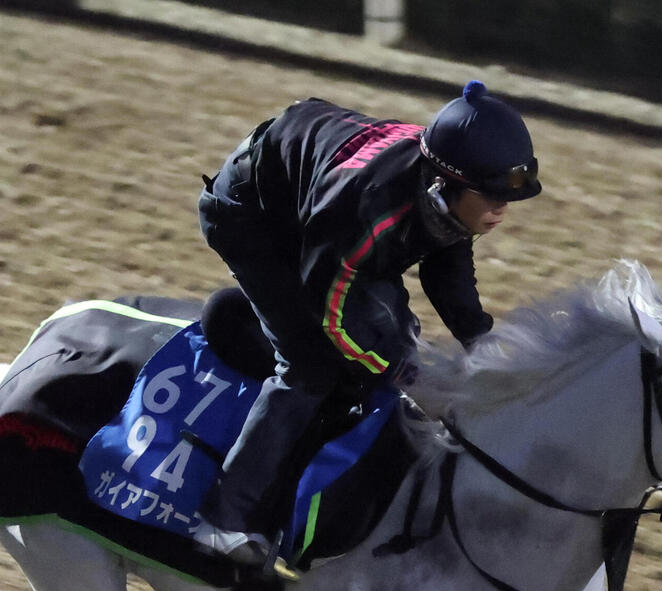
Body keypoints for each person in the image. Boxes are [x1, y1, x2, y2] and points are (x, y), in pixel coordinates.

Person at [192, 79, 541, 566]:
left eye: (507, 197)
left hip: (321, 204)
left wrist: (482, 341)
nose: (501, 209)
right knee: (312, 365)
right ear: (443, 185)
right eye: (490, 196)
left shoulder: (443, 186)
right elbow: (332, 316)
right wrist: (406, 375)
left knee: (393, 337)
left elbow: (447, 266)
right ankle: (223, 519)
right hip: (254, 217)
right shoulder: (369, 211)